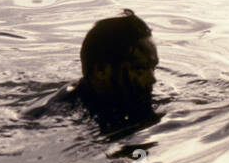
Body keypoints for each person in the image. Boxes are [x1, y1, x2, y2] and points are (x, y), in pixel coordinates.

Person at [30, 9, 158, 128]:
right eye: (140, 69)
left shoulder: (112, 95)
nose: (152, 79)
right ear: (100, 71)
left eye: (153, 68)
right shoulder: (60, 115)